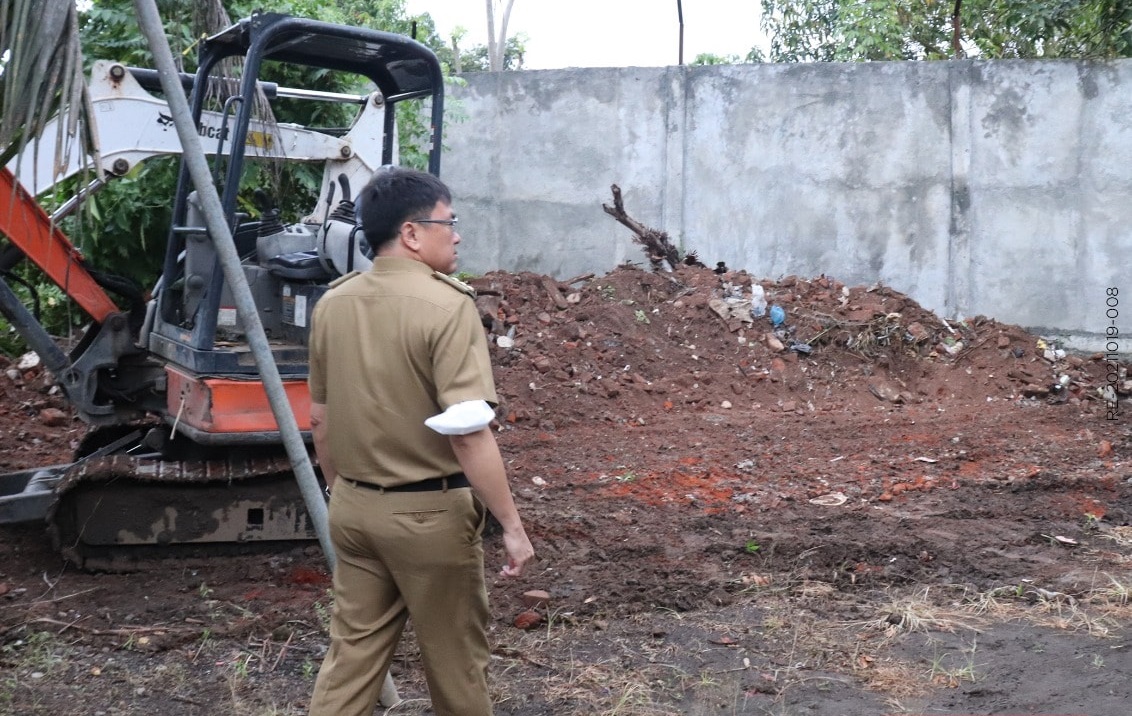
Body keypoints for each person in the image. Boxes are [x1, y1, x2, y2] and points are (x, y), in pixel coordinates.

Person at [306, 167, 535, 716]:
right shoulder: (447, 305)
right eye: (447, 222)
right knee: (457, 667)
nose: (455, 234)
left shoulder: (333, 303)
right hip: (429, 517)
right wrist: (511, 524)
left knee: (351, 664)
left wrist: (346, 492)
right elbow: (468, 432)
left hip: (355, 511)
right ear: (411, 232)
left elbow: (320, 418)